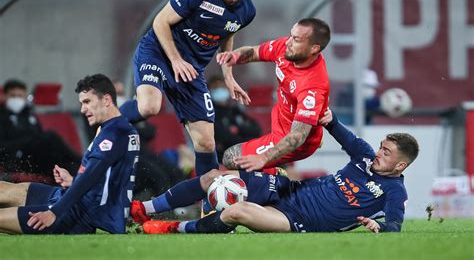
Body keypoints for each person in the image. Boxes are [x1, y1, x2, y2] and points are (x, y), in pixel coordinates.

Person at [130, 109, 419, 234]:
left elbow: (395, 224)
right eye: (381, 147)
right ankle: (144, 208)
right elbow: (338, 129)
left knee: (235, 212)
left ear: (400, 165)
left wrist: (379, 226)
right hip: (288, 190)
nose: (378, 153)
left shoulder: (394, 192)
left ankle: (174, 228)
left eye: (386, 152)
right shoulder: (365, 157)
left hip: (295, 220)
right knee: (214, 178)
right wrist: (323, 113)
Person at [119, 0, 256, 179]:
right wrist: (175, 59)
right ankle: (109, 122)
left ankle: (210, 205)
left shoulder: (247, 11)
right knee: (149, 107)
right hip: (159, 52)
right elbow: (160, 22)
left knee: (206, 142)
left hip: (191, 69)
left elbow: (227, 34)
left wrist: (228, 77)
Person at [0, 74, 141, 234]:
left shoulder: (115, 134)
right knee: (5, 189)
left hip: (79, 215)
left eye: (87, 102)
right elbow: (106, 180)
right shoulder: (116, 128)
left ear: (107, 100)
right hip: (75, 200)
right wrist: (73, 181)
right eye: (81, 103)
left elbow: (89, 178)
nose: (82, 109)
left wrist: (54, 212)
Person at [215, 18, 331, 174]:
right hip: (281, 115)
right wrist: (234, 56)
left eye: (296, 39)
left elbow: (298, 135)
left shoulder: (313, 86)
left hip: (295, 139)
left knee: (230, 158)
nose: (288, 42)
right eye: (291, 35)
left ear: (314, 49)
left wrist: (264, 158)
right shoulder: (287, 49)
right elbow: (254, 52)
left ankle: (276, 174)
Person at [0, 79, 81, 177]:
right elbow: (3, 146)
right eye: (13, 96)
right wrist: (28, 142)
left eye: (20, 96)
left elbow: (41, 139)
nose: (16, 99)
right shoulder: (2, 117)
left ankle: (83, 171)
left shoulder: (29, 116)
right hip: (18, 159)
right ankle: (81, 160)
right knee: (51, 136)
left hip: (38, 156)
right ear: (4, 96)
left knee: (67, 165)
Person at [208, 75, 261, 162]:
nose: (220, 90)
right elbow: (224, 139)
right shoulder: (211, 114)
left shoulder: (234, 110)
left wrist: (239, 130)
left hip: (247, 153)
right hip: (225, 158)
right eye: (215, 88)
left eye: (222, 87)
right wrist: (245, 136)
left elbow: (256, 129)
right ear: (209, 91)